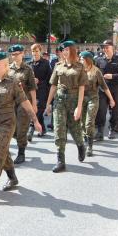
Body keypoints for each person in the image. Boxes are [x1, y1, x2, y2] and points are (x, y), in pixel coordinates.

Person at [0, 51, 42, 203]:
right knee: (2, 152)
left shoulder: (13, 82)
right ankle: (12, 178)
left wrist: (35, 120)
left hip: (7, 122)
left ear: (6, 66)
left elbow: (24, 102)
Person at [45, 40, 87, 173]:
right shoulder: (58, 66)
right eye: (63, 50)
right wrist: (48, 104)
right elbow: (53, 86)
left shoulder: (80, 67)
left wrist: (79, 107)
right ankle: (60, 161)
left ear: (73, 51)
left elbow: (82, 88)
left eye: (67, 50)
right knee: (59, 129)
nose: (65, 52)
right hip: (60, 101)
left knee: (75, 129)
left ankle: (80, 145)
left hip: (74, 101)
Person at [79, 51, 115, 156]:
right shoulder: (79, 71)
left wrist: (111, 99)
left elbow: (104, 87)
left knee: (89, 122)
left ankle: (90, 147)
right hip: (81, 99)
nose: (80, 60)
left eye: (82, 58)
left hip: (93, 99)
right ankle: (85, 142)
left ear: (87, 60)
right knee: (82, 123)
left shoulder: (96, 71)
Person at [7, 44, 37, 164]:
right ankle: (21, 140)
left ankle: (21, 153)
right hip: (11, 103)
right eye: (13, 54)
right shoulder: (8, 69)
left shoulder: (28, 69)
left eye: (17, 54)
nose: (15, 56)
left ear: (22, 54)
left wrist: (34, 104)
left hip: (24, 103)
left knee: (21, 129)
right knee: (13, 130)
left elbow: (32, 88)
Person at [94, 40, 118, 140]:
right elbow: (94, 74)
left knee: (114, 111)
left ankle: (112, 129)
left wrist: (112, 76)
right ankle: (100, 131)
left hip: (115, 89)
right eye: (104, 47)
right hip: (102, 90)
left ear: (112, 48)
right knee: (101, 111)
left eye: (107, 47)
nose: (105, 49)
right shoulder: (99, 60)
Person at [29, 43, 52, 139]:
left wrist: (40, 81)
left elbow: (50, 79)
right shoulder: (29, 64)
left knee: (37, 111)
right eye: (33, 51)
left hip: (43, 91)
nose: (35, 53)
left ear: (40, 51)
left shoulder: (46, 63)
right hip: (32, 92)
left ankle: (31, 129)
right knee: (34, 110)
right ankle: (43, 128)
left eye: (37, 51)